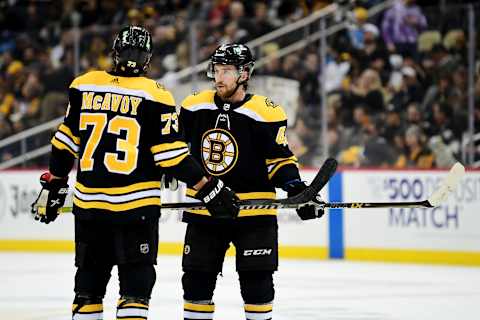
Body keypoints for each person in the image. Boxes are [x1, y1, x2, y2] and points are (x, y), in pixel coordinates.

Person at [30, 26, 239, 320]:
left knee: (88, 289)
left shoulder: (84, 85)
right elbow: (174, 158)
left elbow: (64, 145)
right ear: (148, 58)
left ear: (115, 51)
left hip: (90, 209)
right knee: (135, 289)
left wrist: (53, 185)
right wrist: (210, 188)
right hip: (135, 211)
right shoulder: (155, 95)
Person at [178, 43, 325, 320]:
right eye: (216, 70)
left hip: (254, 213)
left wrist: (297, 189)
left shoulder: (266, 112)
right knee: (196, 283)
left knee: (257, 285)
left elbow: (279, 162)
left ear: (244, 74)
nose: (219, 77)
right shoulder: (193, 106)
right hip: (205, 210)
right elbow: (173, 150)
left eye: (226, 71)